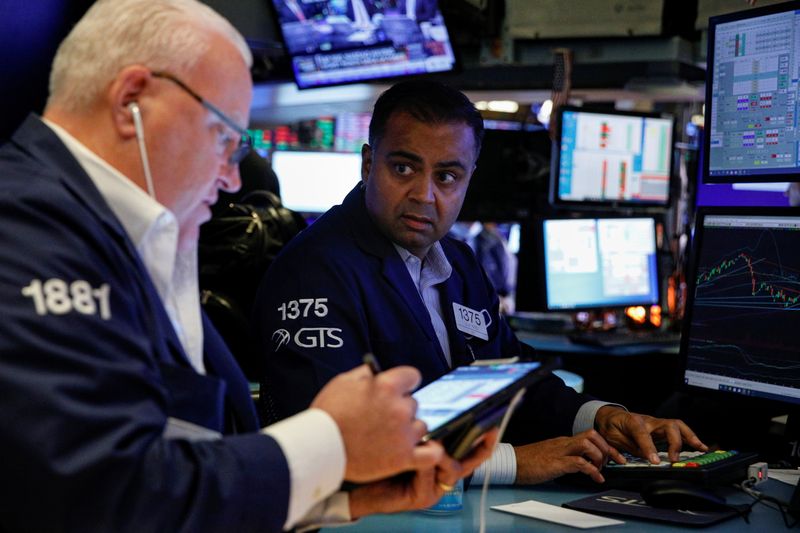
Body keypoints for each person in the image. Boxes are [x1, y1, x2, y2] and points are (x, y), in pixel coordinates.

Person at [0, 2, 495, 531]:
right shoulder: (24, 226)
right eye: (223, 136)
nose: (233, 179)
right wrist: (331, 443)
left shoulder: (124, 236)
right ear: (131, 101)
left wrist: (340, 498)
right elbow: (98, 487)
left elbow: (178, 452)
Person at [254, 80, 707, 486]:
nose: (424, 194)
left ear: (469, 179)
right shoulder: (315, 269)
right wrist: (511, 463)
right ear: (368, 163)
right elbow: (332, 445)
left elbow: (510, 375)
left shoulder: (458, 263)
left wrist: (599, 417)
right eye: (404, 168)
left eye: (446, 176)